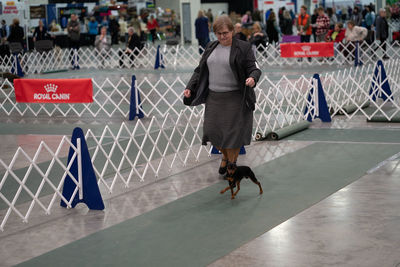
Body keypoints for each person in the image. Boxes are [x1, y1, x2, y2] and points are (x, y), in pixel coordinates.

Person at [183, 15, 261, 173]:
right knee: (212, 133)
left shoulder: (243, 47)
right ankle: (225, 156)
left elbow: (254, 68)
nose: (222, 36)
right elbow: (200, 70)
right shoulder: (211, 46)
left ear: (232, 31)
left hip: (235, 98)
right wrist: (190, 87)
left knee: (233, 136)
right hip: (214, 98)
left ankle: (232, 164)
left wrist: (252, 78)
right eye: (218, 33)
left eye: (225, 32)